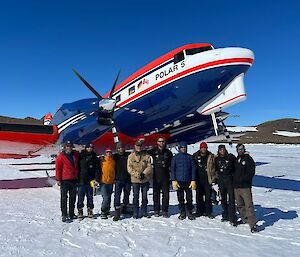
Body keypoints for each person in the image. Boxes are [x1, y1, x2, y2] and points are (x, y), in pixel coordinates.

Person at [233, 144, 257, 233]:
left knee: (249, 205)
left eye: (241, 149)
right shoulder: (236, 159)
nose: (240, 151)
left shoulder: (248, 159)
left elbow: (251, 173)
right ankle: (244, 218)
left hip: (245, 187)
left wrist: (243, 180)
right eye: (238, 149)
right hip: (236, 187)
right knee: (240, 204)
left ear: (244, 149)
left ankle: (253, 224)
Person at [171, 141, 196, 220]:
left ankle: (189, 211)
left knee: (189, 198)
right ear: (179, 148)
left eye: (185, 147)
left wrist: (193, 180)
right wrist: (173, 180)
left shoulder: (190, 157)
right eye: (182, 147)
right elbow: (173, 169)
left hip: (188, 181)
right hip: (179, 181)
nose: (183, 149)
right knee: (180, 197)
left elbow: (193, 169)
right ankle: (182, 211)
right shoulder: (175, 158)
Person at [148, 137, 173, 218]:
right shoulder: (153, 151)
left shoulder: (168, 152)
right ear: (157, 142)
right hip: (156, 176)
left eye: (162, 141)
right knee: (156, 194)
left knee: (166, 195)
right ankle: (156, 210)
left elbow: (171, 164)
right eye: (159, 141)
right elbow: (144, 154)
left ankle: (165, 210)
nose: (161, 143)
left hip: (165, 176)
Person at [127, 140, 153, 219]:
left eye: (140, 146)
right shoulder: (131, 156)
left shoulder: (146, 156)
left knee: (144, 197)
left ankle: (144, 211)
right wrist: (138, 175)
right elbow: (129, 168)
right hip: (135, 180)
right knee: (136, 196)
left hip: (145, 179)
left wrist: (144, 174)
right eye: (137, 146)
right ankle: (135, 212)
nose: (139, 147)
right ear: (135, 146)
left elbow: (149, 166)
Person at [55, 141, 79, 222]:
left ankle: (71, 213)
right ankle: (64, 214)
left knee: (73, 198)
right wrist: (58, 179)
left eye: (70, 146)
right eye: (67, 146)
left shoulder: (75, 155)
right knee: (64, 198)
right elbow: (58, 168)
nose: (69, 148)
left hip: (73, 179)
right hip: (64, 180)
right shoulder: (61, 156)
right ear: (65, 147)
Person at [215, 144, 237, 226]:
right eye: (220, 150)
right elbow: (215, 168)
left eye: (223, 149)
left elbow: (237, 165)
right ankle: (225, 214)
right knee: (223, 199)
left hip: (230, 181)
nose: (222, 151)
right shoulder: (216, 159)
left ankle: (232, 217)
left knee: (231, 199)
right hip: (221, 181)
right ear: (218, 151)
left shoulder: (231, 157)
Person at [193, 141, 215, 218]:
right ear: (200, 148)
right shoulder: (195, 155)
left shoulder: (211, 155)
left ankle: (208, 212)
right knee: (199, 196)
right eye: (202, 147)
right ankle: (199, 211)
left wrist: (214, 177)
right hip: (198, 179)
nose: (203, 149)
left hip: (207, 179)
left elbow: (215, 167)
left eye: (205, 148)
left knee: (208, 197)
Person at [77, 143, 99, 219]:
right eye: (88, 147)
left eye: (91, 147)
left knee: (90, 196)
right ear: (86, 148)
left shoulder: (94, 157)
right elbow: (77, 167)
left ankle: (90, 209)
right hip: (81, 179)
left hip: (90, 180)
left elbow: (97, 169)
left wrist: (96, 179)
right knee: (80, 196)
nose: (90, 148)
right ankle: (80, 210)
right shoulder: (81, 156)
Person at [113, 141, 131, 221]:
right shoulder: (115, 156)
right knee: (117, 196)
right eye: (119, 148)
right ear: (117, 149)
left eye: (122, 147)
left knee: (127, 194)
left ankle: (125, 208)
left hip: (127, 179)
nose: (121, 149)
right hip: (118, 179)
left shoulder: (128, 155)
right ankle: (117, 211)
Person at [96, 148, 116, 219]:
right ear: (105, 153)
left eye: (110, 152)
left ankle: (107, 210)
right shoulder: (102, 160)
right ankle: (103, 210)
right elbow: (97, 169)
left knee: (109, 197)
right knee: (106, 197)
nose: (109, 153)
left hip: (111, 181)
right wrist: (97, 179)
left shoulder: (113, 160)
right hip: (103, 182)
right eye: (107, 152)